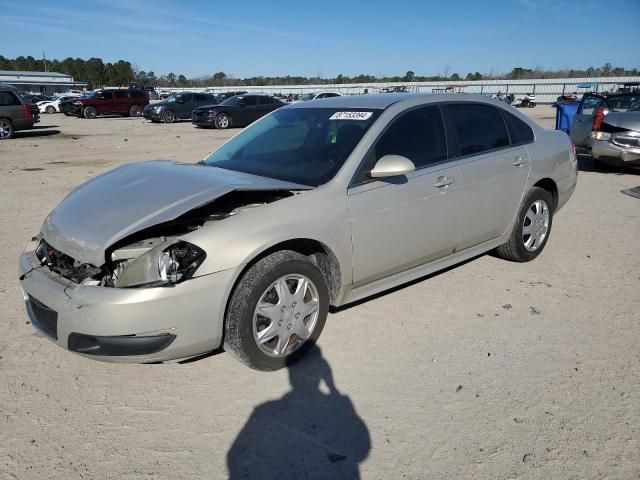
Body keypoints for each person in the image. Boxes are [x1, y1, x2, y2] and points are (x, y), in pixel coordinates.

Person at [227, 346, 370, 479]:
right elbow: (363, 449)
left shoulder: (263, 410)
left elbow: (234, 457)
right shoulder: (340, 404)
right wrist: (333, 389)